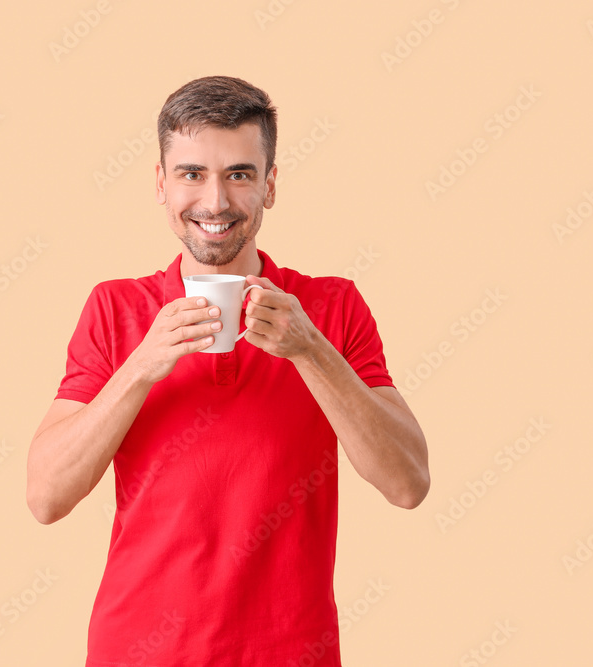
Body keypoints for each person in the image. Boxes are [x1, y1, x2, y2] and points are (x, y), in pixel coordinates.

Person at [27, 75, 429, 666]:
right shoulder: (114, 309)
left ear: (269, 186)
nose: (215, 202)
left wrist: (311, 350)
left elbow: (408, 483)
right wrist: (142, 365)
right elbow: (45, 497)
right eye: (192, 174)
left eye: (239, 174)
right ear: (160, 185)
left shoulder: (333, 307)